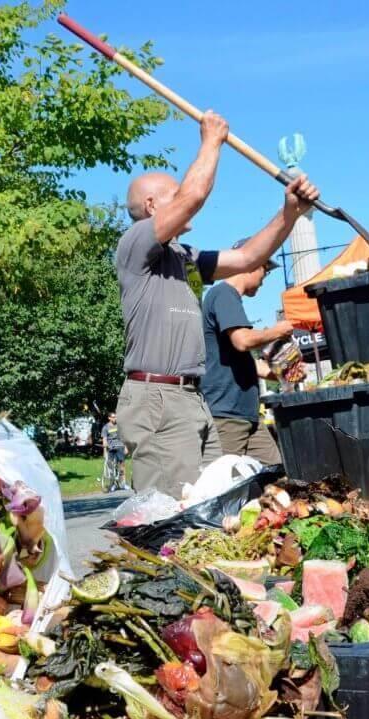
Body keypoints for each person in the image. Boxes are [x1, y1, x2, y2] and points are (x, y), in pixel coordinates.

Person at [113, 110, 319, 497]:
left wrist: (289, 211)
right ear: (154, 206)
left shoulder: (185, 257)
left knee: (216, 503)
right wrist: (211, 140)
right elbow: (193, 197)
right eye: (173, 193)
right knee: (172, 514)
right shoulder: (136, 244)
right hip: (157, 398)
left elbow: (246, 259)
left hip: (193, 397)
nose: (183, 196)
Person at [201, 245, 293, 466]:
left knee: (275, 472)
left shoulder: (228, 298)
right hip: (227, 416)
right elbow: (242, 341)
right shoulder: (224, 294)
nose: (264, 277)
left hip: (246, 416)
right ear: (251, 264)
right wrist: (277, 331)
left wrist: (281, 372)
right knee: (224, 485)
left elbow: (242, 360)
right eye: (265, 269)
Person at [101, 411, 127, 491]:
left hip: (120, 446)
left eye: (115, 417)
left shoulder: (119, 426)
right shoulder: (106, 427)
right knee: (111, 466)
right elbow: (104, 440)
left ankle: (124, 484)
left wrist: (126, 447)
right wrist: (105, 451)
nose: (115, 418)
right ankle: (113, 484)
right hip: (111, 448)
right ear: (109, 418)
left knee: (122, 465)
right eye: (113, 417)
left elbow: (124, 436)